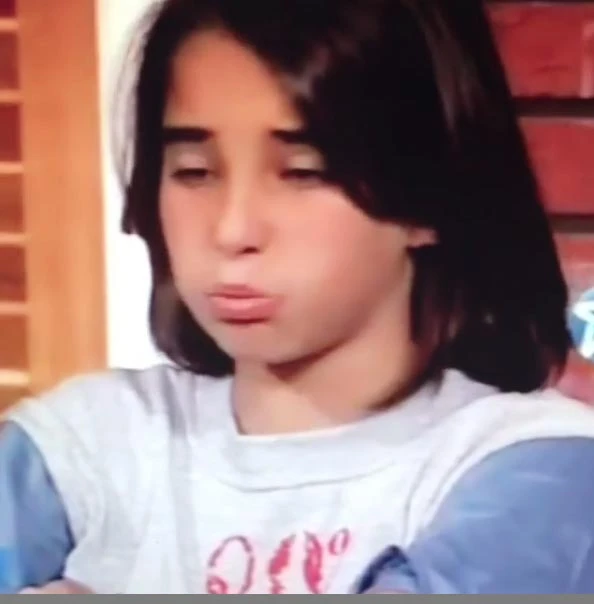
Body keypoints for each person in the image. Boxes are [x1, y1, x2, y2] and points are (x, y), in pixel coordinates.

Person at [2, 0, 594, 594]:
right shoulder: (83, 446)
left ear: (428, 196)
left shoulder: (539, 467)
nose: (232, 230)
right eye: (194, 172)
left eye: (303, 172)